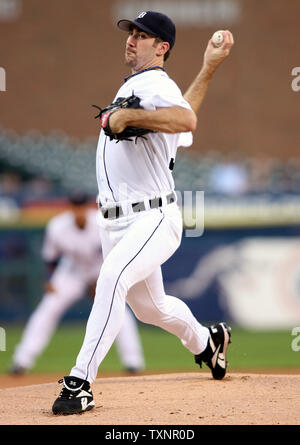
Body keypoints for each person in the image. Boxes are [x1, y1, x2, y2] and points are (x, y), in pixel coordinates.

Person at [52, 11, 234, 415]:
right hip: (115, 222)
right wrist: (208, 67)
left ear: (162, 47)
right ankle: (208, 342)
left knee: (112, 276)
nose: (132, 39)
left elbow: (186, 119)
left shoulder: (154, 84)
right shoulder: (142, 87)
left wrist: (130, 116)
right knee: (153, 308)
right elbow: (184, 118)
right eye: (131, 32)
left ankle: (80, 382)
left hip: (152, 216)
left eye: (143, 35)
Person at [9, 192, 145, 375]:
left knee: (118, 309)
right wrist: (50, 280)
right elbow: (51, 258)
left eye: (81, 205)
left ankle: (133, 361)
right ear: (70, 207)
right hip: (72, 272)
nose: (78, 210)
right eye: (75, 206)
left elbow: (115, 254)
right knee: (48, 308)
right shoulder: (57, 226)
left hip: (101, 269)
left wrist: (102, 281)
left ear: (88, 206)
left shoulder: (102, 222)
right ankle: (22, 361)